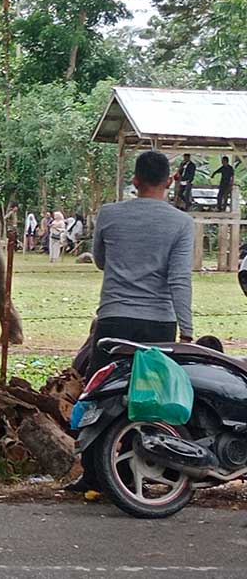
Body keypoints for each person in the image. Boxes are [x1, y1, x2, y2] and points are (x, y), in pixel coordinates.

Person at [67, 151, 195, 495]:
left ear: (134, 181)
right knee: (154, 400)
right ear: (170, 182)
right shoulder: (181, 223)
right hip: (159, 325)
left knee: (101, 399)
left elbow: (100, 261)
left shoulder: (110, 214)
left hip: (114, 321)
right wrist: (188, 330)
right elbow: (179, 279)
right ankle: (149, 472)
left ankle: (94, 476)